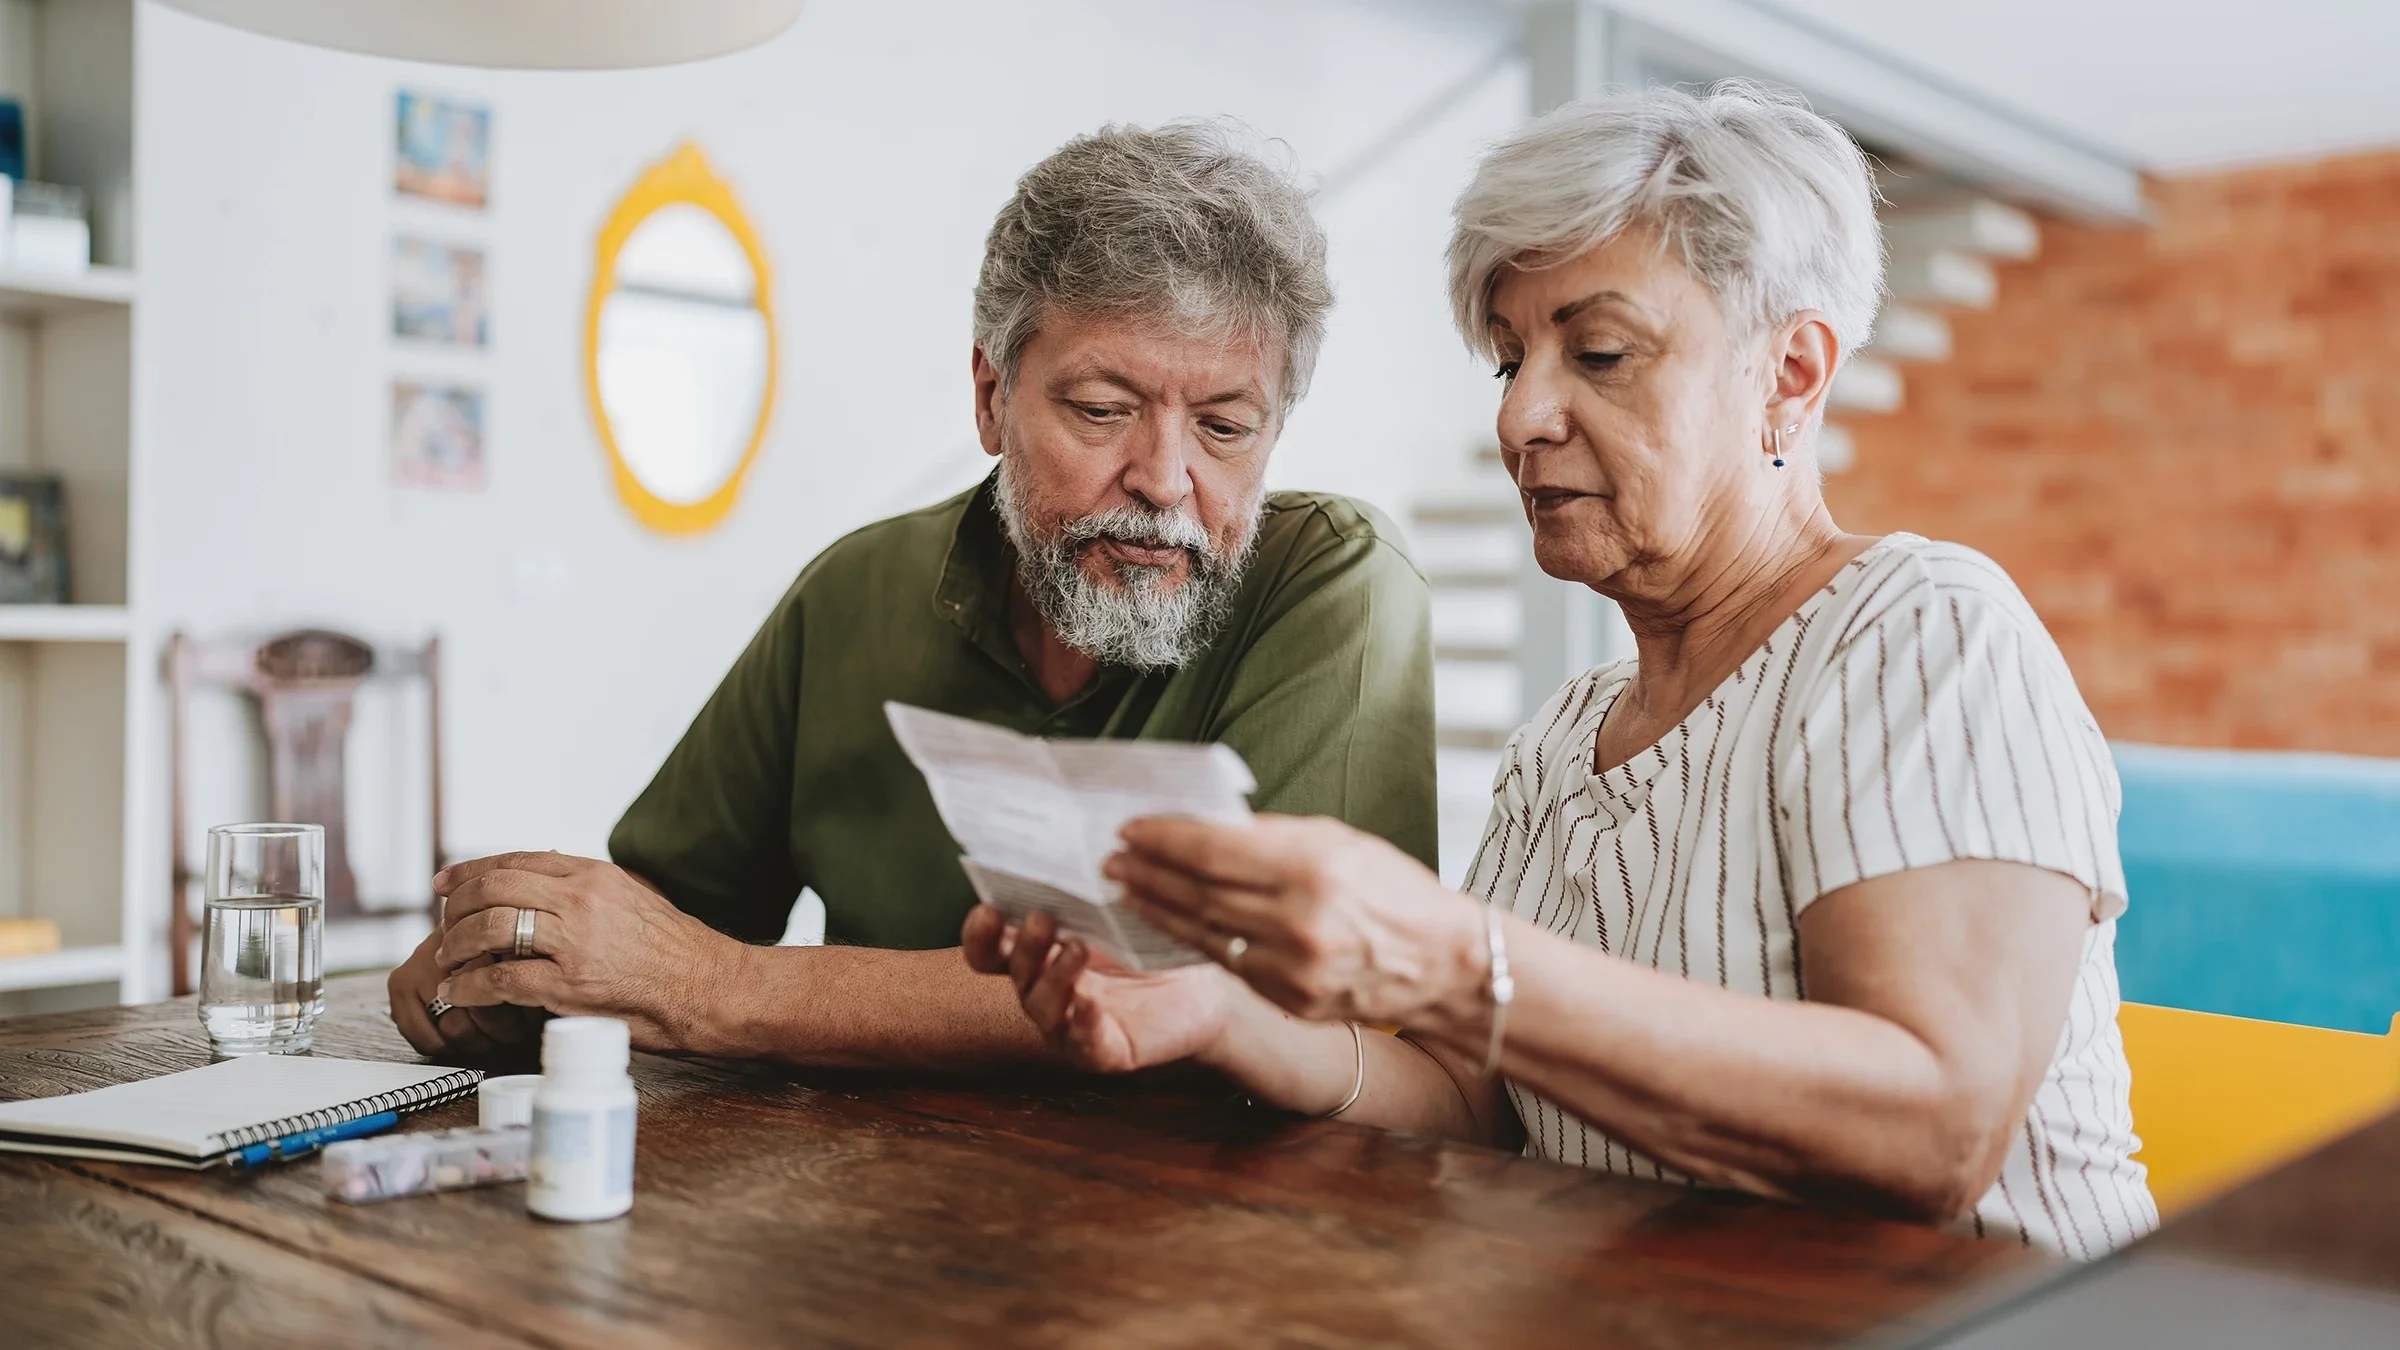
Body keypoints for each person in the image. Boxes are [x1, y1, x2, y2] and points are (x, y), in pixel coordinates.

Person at [969, 82, 2158, 1258]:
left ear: (1789, 374)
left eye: (1598, 352)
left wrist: (1449, 955)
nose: (1522, 417)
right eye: (1507, 360)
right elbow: (1478, 1109)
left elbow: (1935, 1135)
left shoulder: (1920, 634)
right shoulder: (1568, 734)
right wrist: (1218, 1017)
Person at [387, 121, 1435, 1069]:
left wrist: (720, 991)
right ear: (990, 397)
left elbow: (1239, 1001)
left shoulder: (1334, 583)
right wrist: (525, 973)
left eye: (1224, 427)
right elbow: (664, 922)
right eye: (1104, 409)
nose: (1165, 480)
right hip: (862, 1226)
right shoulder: (856, 590)